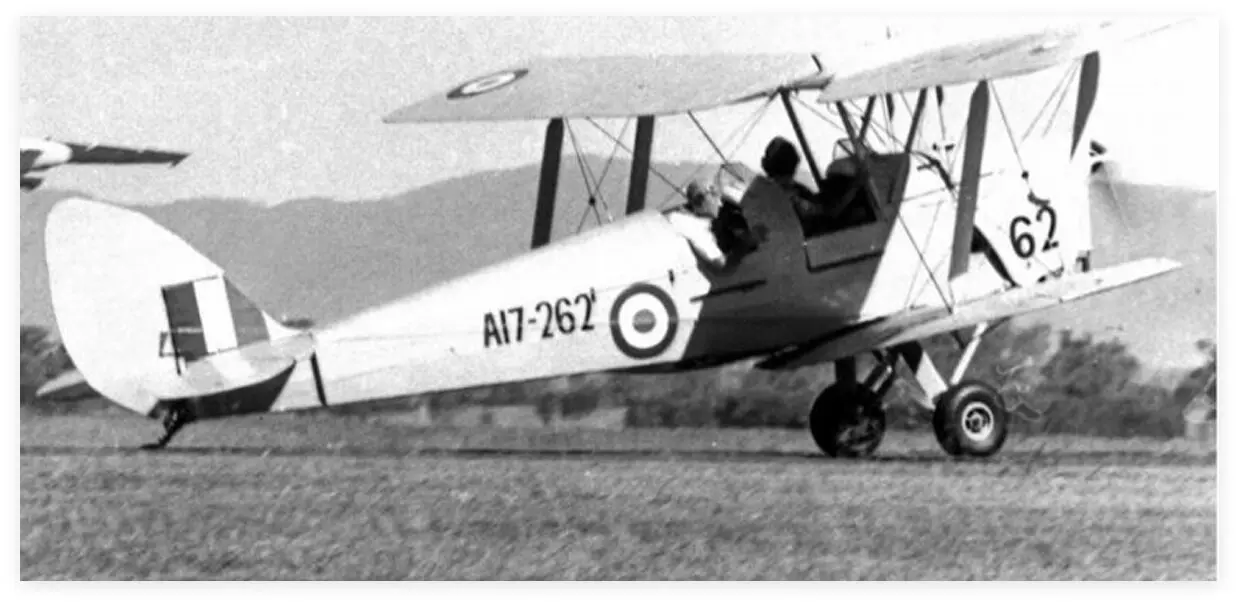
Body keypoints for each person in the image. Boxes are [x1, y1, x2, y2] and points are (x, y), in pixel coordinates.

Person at [666, 181, 728, 270]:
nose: (720, 204)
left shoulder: (677, 216)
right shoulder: (693, 227)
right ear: (702, 201)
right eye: (716, 198)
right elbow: (720, 263)